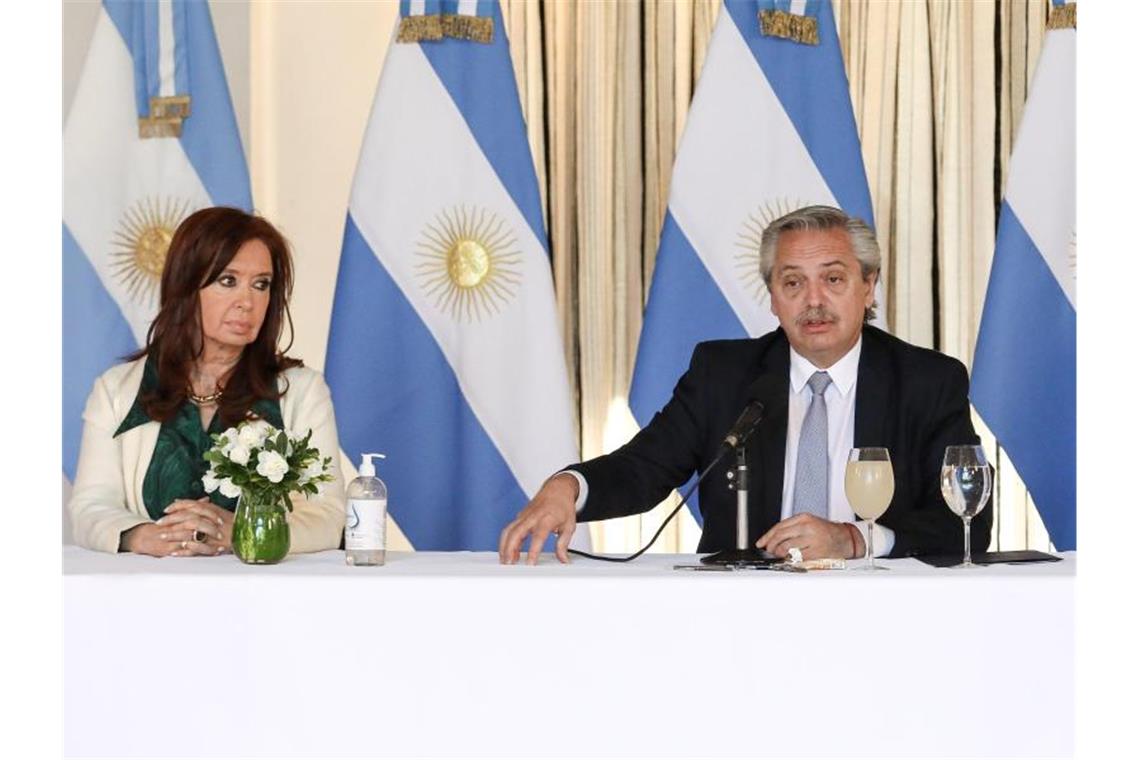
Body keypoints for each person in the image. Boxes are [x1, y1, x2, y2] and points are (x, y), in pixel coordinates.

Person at [500, 205, 992, 564]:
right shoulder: (724, 374)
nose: (813, 301)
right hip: (739, 617)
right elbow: (644, 467)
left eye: (834, 280)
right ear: (773, 298)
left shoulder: (928, 381)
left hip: (880, 615)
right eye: (793, 283)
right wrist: (570, 486)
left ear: (869, 286)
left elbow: (967, 523)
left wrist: (854, 539)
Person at [69, 207, 346, 556]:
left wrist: (246, 532)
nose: (247, 302)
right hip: (148, 596)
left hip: (264, 598)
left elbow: (329, 515)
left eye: (261, 284)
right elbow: (90, 506)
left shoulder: (303, 391)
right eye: (228, 281)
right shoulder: (116, 390)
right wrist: (143, 537)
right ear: (185, 286)